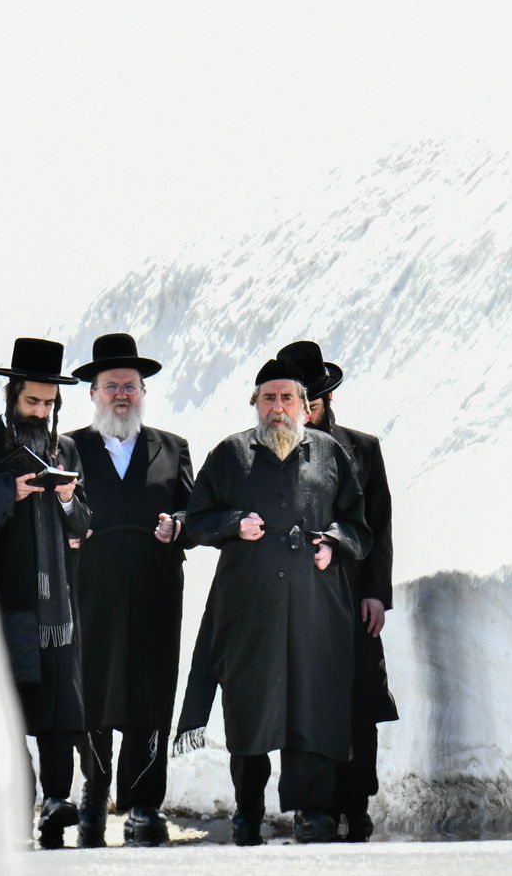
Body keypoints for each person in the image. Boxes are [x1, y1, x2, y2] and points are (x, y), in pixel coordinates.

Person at [181, 357, 370, 846]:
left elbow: (358, 525)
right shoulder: (229, 454)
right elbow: (196, 520)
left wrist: (333, 543)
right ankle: (248, 814)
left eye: (288, 398)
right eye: (269, 398)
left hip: (315, 608)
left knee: (314, 705)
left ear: (306, 408)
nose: (278, 408)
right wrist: (232, 525)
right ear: (255, 404)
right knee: (251, 708)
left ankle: (315, 813)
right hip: (249, 609)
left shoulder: (330, 455)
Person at [0, 337, 91, 850]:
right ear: (12, 395)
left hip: (56, 606)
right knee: (6, 706)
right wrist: (7, 489)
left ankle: (57, 799)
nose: (41, 411)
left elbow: (82, 524)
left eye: (50, 403)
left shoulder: (67, 448)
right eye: (33, 401)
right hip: (1, 600)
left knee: (59, 707)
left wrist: (71, 498)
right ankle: (14, 802)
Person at [65, 333, 195, 848]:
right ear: (93, 393)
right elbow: (46, 512)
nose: (122, 394)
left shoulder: (173, 446)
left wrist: (178, 526)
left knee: (150, 692)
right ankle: (94, 802)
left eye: (131, 387)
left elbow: (196, 511)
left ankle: (144, 805)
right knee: (91, 694)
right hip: (89, 588)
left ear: (143, 392)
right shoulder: (67, 447)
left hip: (155, 587)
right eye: (112, 386)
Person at [277, 340, 399, 842]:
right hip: (298, 604)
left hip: (351, 598)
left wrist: (376, 593)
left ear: (324, 400)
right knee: (303, 703)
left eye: (313, 402)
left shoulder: (363, 448)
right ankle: (313, 807)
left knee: (358, 703)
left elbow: (381, 526)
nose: (304, 412)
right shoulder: (270, 451)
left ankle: (356, 803)